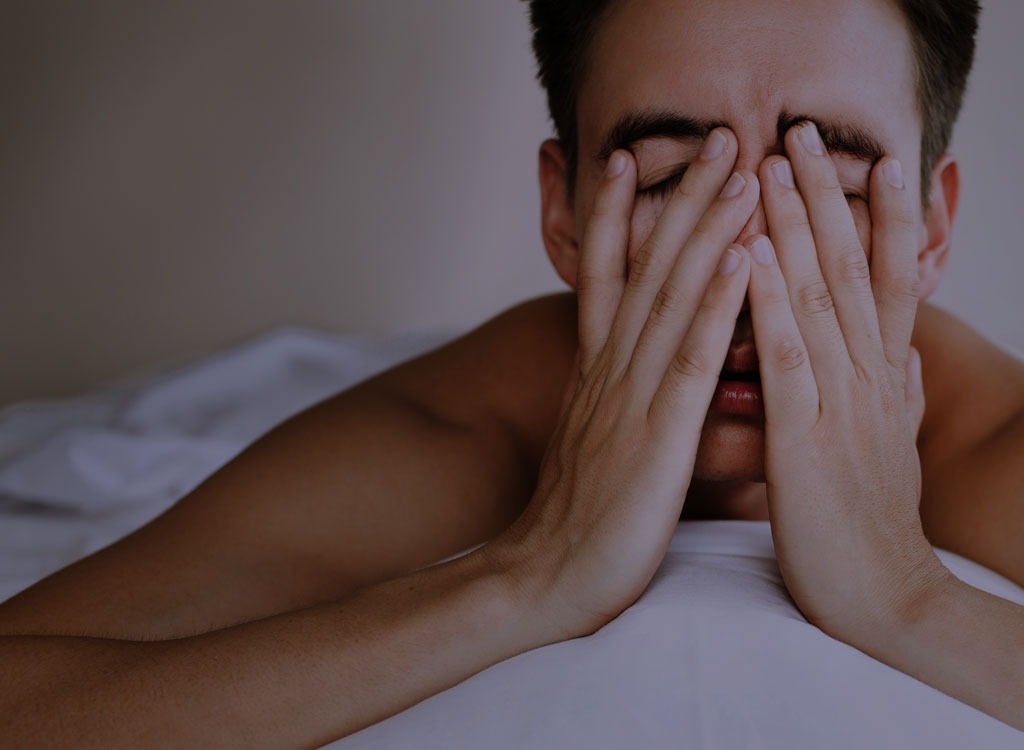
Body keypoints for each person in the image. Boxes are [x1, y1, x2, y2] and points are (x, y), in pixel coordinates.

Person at [2, 0, 1022, 745]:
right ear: (566, 215)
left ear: (929, 230)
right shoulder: (471, 425)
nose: (742, 264)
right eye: (673, 182)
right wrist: (531, 572)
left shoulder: (992, 450)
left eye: (824, 188)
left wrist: (908, 599)